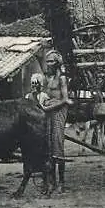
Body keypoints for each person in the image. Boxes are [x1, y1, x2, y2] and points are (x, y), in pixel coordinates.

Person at [42, 50, 74, 194]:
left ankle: (61, 182)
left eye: (52, 61)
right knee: (47, 146)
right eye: (47, 61)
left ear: (57, 63)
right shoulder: (46, 78)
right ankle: (51, 181)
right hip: (47, 110)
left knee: (57, 144)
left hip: (59, 111)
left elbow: (65, 99)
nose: (49, 64)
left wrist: (50, 107)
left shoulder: (61, 78)